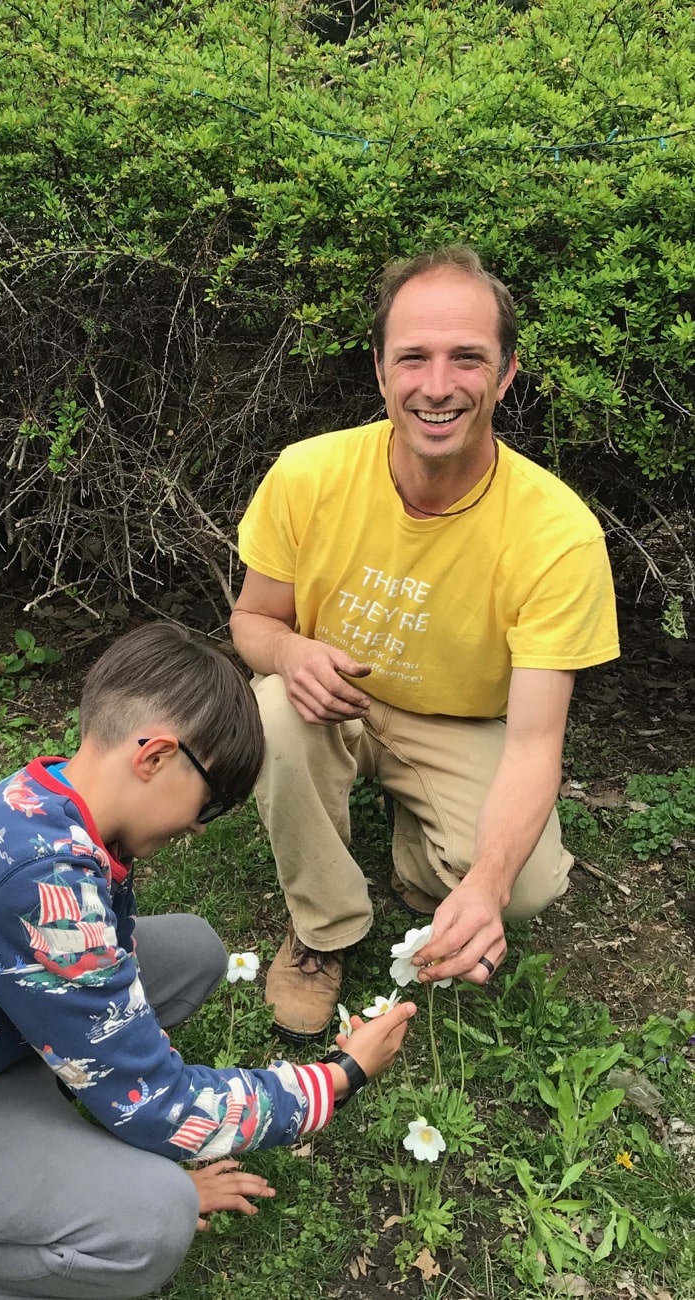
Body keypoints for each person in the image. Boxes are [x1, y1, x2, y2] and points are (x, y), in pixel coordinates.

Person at [0, 623, 416, 1300]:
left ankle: (37, 1128)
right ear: (155, 756)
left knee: (190, 953)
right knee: (151, 1221)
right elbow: (155, 1103)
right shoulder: (36, 883)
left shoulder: (46, 803)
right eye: (209, 804)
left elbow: (104, 979)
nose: (197, 828)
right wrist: (337, 1078)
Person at [230, 244, 620, 1042]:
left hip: (460, 724)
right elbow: (253, 621)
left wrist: (483, 882)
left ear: (506, 374)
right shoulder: (306, 475)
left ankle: (422, 859)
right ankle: (322, 928)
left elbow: (536, 740)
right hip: (329, 703)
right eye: (413, 357)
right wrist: (292, 654)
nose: (436, 386)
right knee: (271, 709)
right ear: (380, 371)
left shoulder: (557, 534)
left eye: (466, 358)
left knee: (522, 889)